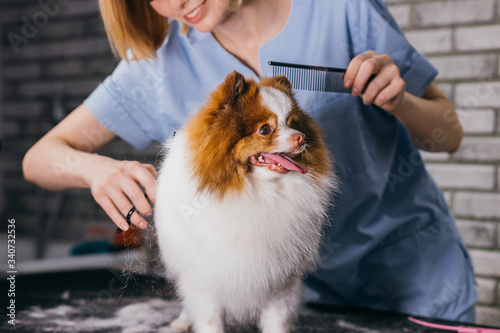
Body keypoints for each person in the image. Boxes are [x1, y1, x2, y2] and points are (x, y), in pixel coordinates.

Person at [23, 0, 477, 322]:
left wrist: (399, 101)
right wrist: (93, 169)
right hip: (297, 299)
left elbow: (449, 132)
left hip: (415, 282)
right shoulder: (157, 66)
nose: (177, 3)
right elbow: (39, 158)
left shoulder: (343, 9)